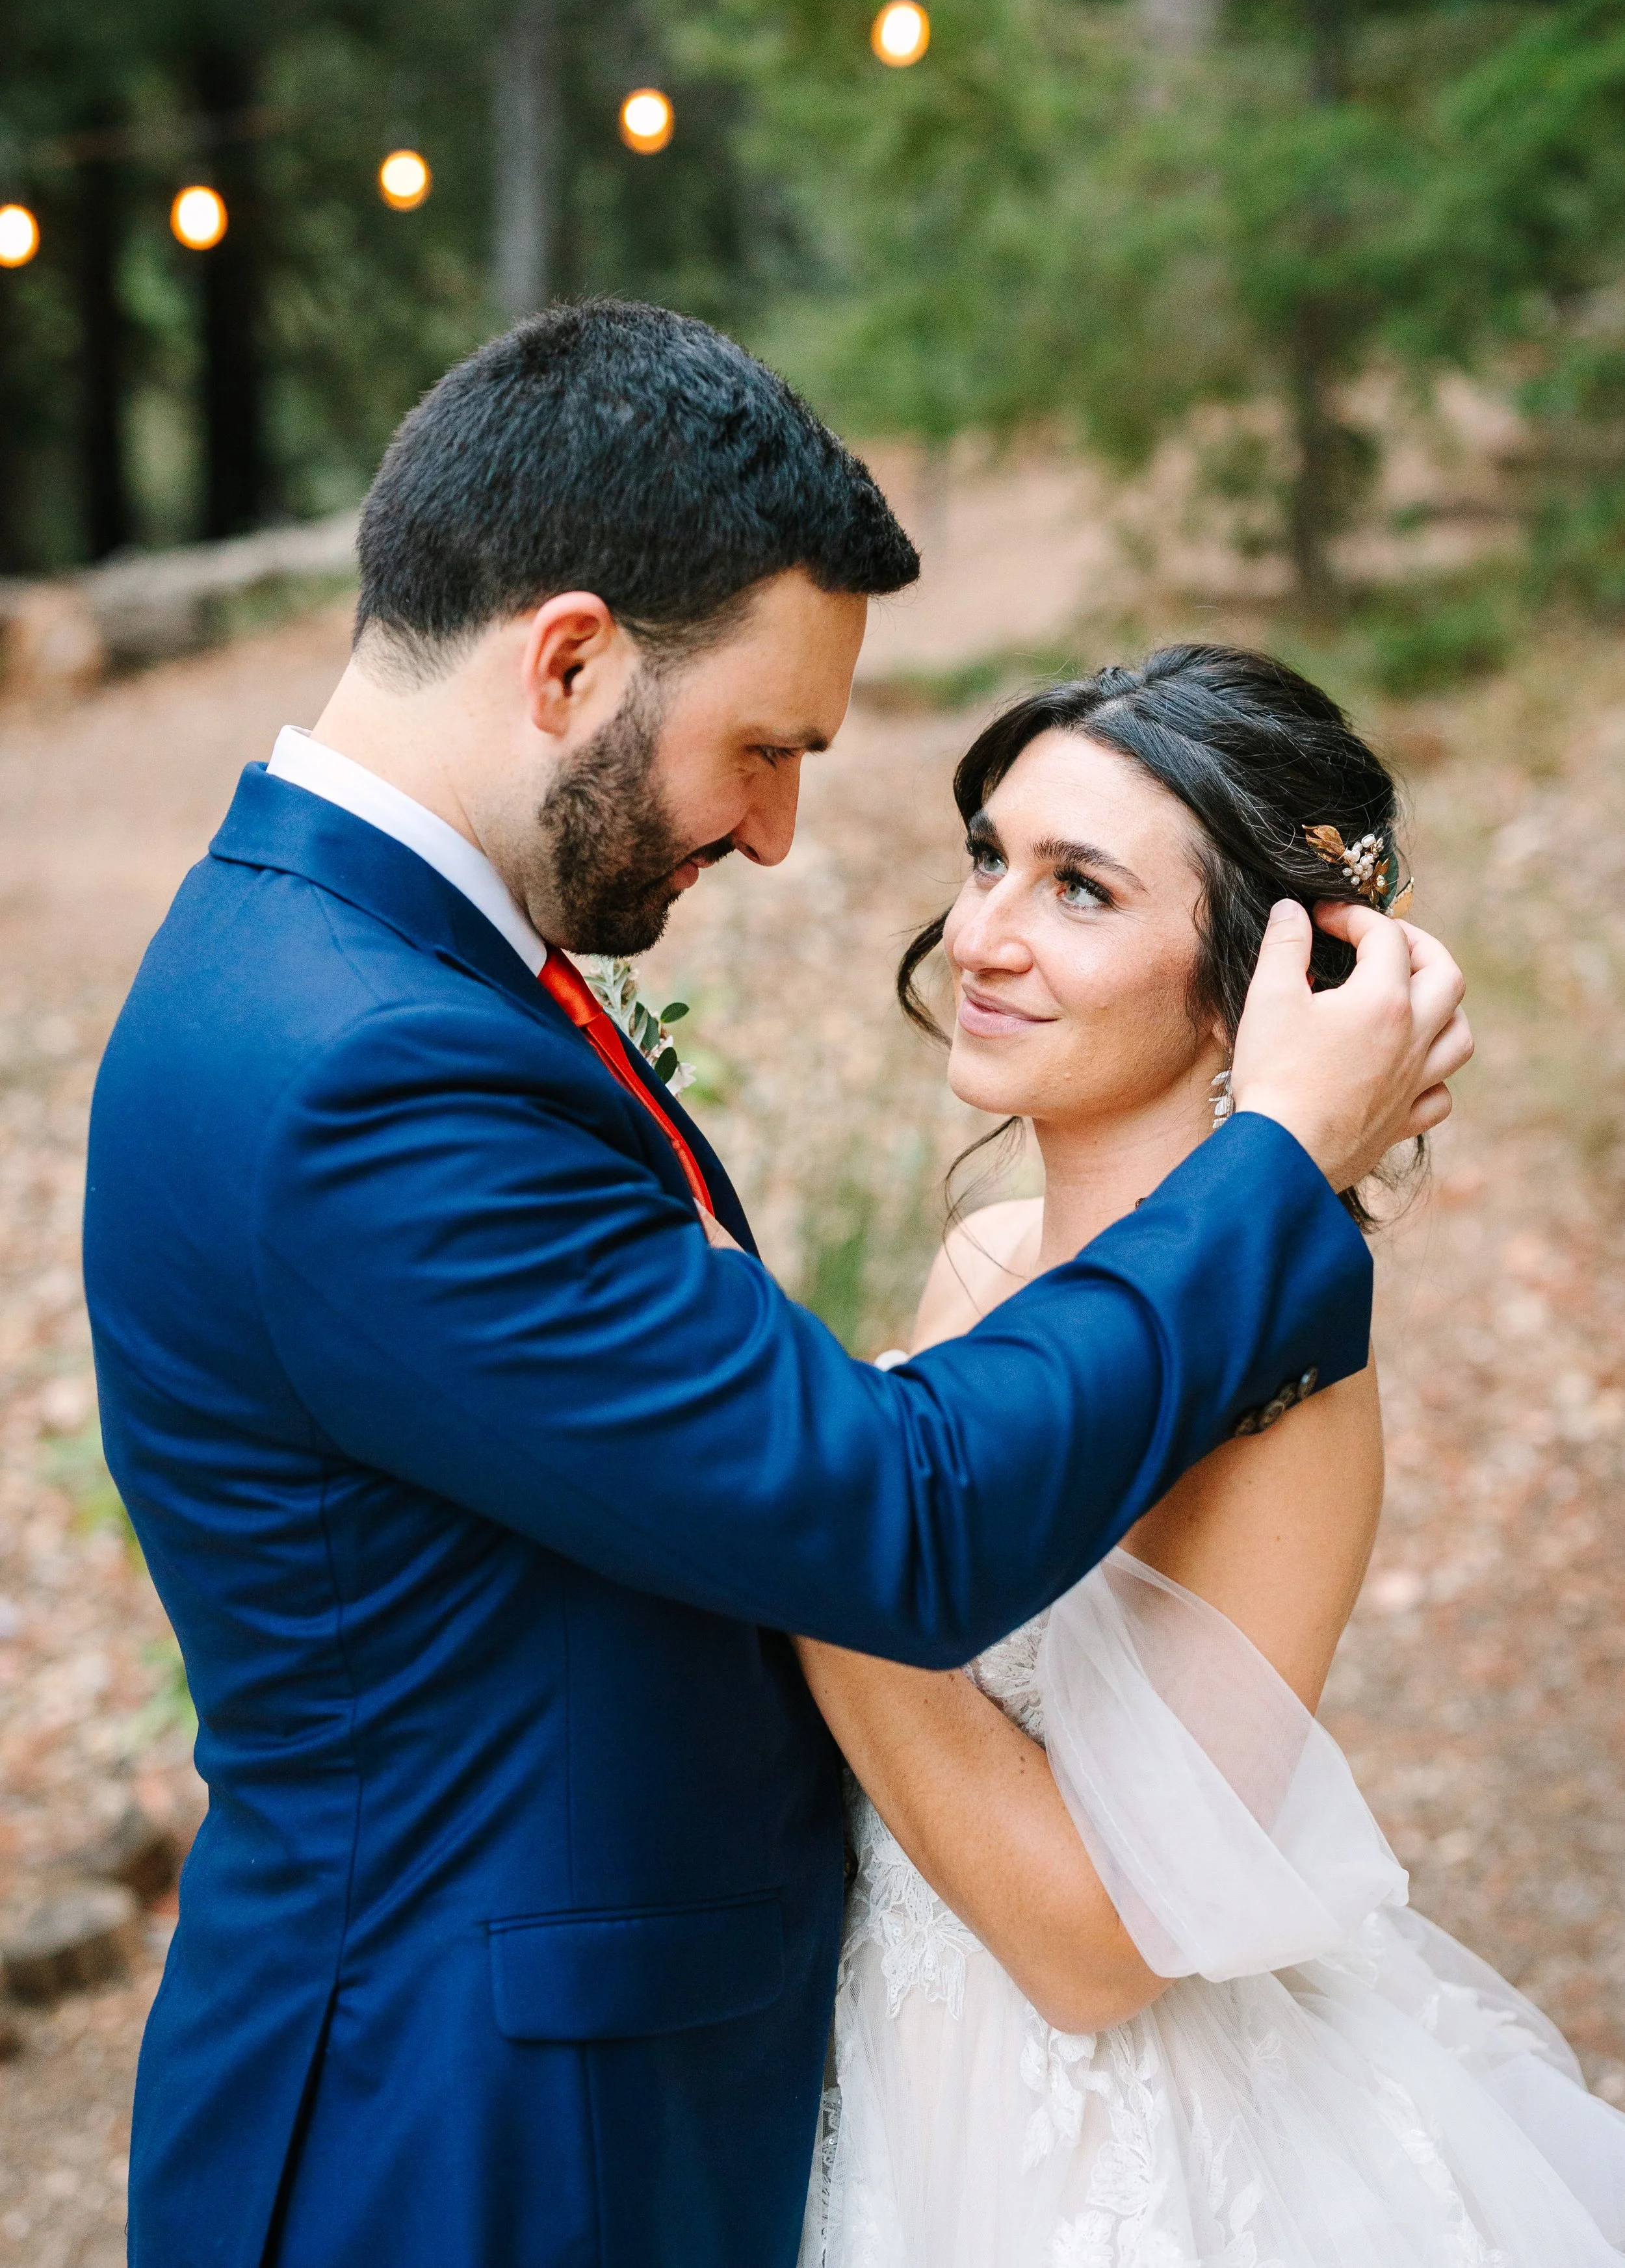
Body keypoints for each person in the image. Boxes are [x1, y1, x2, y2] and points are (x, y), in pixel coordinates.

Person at [83, 304, 1468, 2268]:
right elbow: (888, 1517)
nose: (776, 829)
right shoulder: (372, 1065)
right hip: (471, 2139)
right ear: (568, 659)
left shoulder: (343, 964)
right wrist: (1277, 1160)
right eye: (761, 747)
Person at [798, 649, 1625, 2267]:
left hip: (1100, 2159)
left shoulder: (1288, 1397)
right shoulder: (979, 1260)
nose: (981, 935)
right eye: (985, 857)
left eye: (1079, 889)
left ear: (1252, 979)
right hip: (883, 2063)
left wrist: (797, 1531)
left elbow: (1104, 1951)